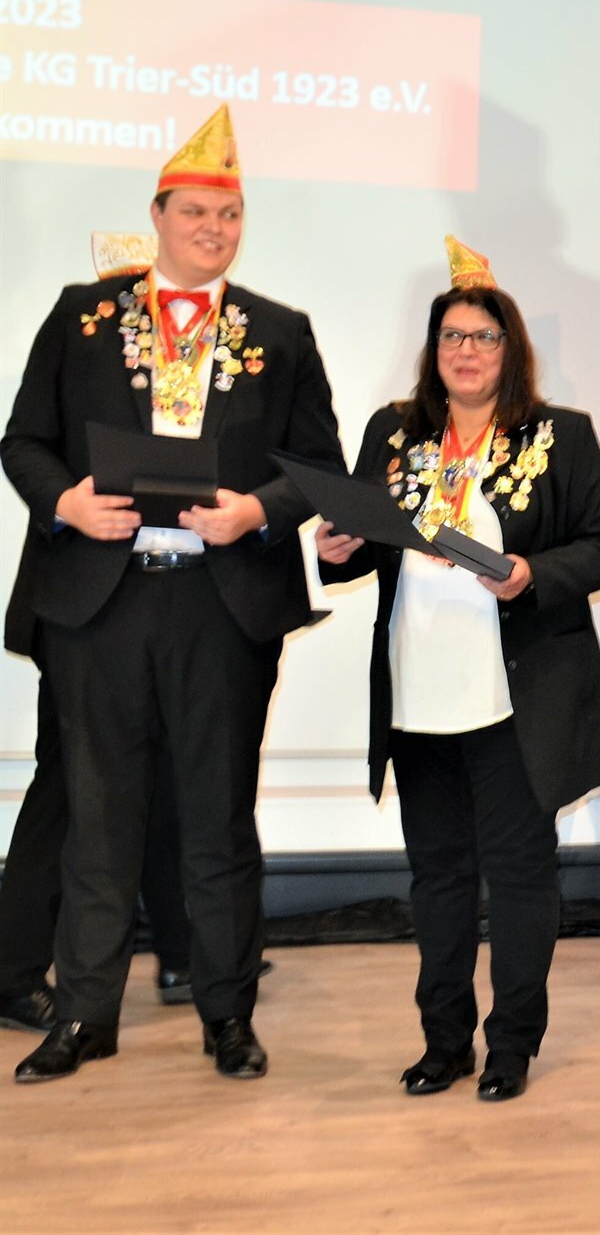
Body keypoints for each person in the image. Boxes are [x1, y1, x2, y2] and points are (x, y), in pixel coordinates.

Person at [3, 106, 344, 1082]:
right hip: (101, 601)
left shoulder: (279, 331)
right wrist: (65, 501)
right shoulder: (83, 315)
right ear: (156, 215)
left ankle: (227, 1016)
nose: (212, 228)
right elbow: (23, 441)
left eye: (228, 215)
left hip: (219, 604)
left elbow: (318, 465)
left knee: (219, 817)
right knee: (99, 817)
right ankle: (84, 1017)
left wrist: (258, 512)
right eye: (194, 211)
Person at [315, 237, 600, 1101]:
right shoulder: (393, 431)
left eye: (484, 337)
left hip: (513, 698)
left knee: (521, 875)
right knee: (439, 876)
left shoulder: (562, 436)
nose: (466, 350)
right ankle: (443, 1041)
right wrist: (337, 548)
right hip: (417, 694)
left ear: (510, 349)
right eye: (452, 335)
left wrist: (531, 574)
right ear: (434, 348)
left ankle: (512, 1046)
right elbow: (362, 542)